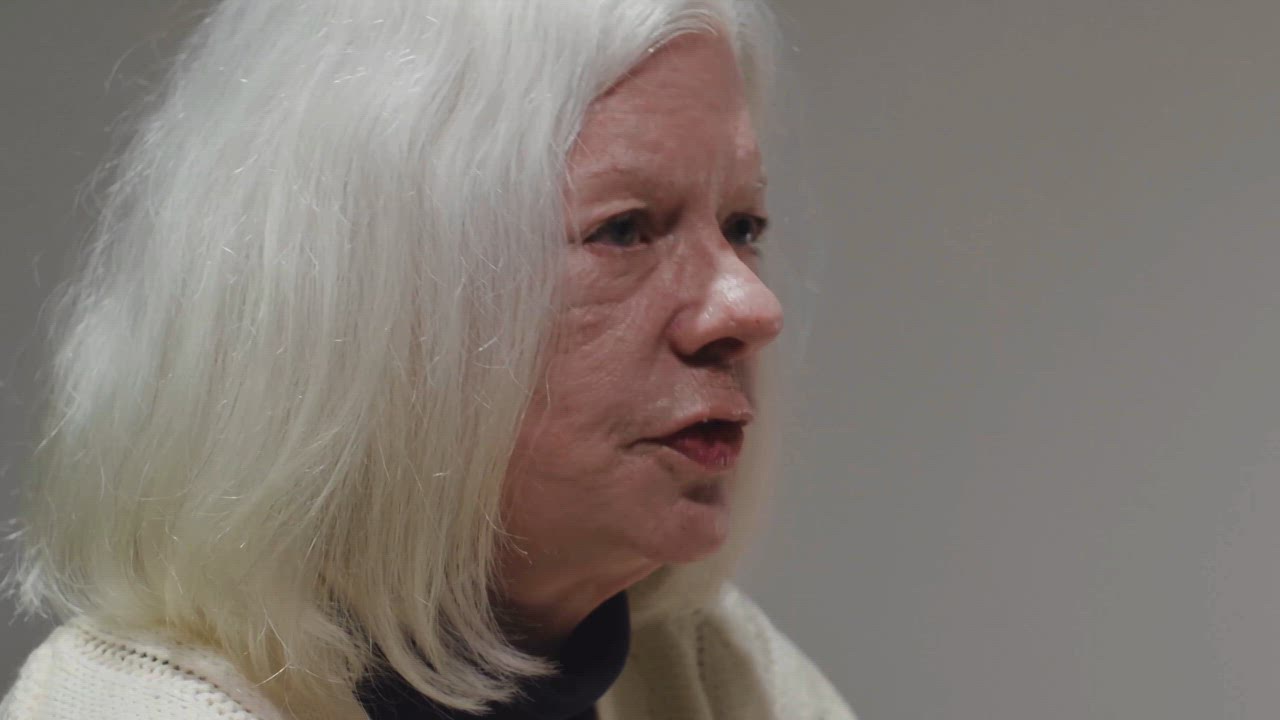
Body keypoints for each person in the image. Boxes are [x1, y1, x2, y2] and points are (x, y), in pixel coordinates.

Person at [1, 1, 854, 718]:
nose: (751, 307)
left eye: (743, 226)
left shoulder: (712, 674)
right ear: (363, 309)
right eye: (625, 229)